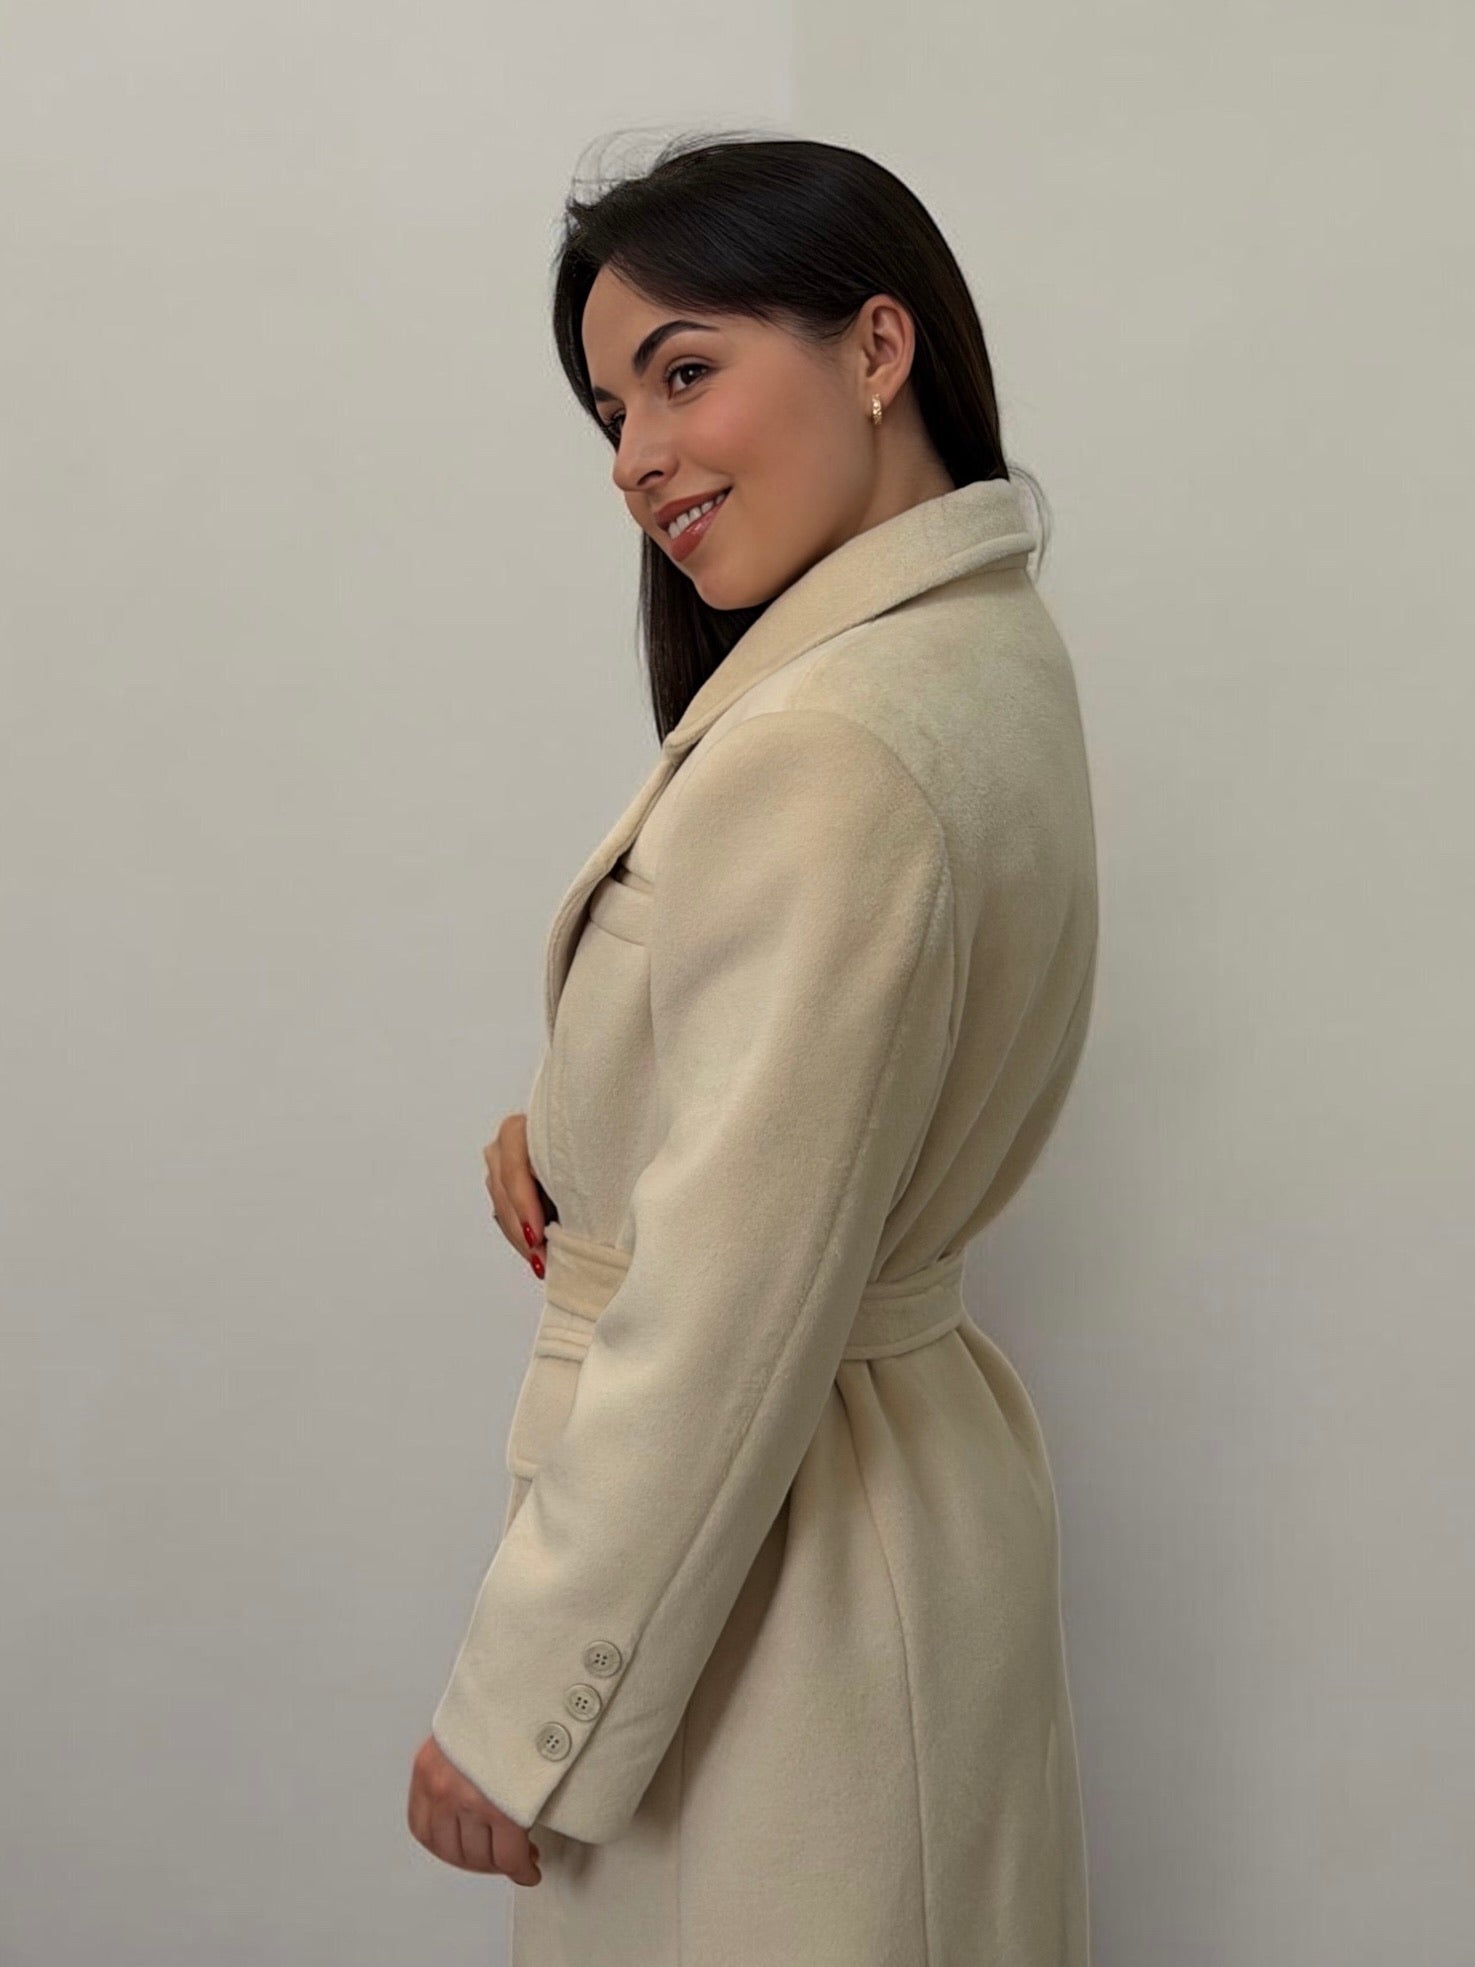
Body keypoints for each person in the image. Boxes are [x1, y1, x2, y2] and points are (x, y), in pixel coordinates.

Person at [406, 130, 1099, 1966]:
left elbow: (729, 1302)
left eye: (685, 372)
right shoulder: (975, 654)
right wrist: (588, 1128)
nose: (636, 456)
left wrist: (518, 1714)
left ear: (877, 347)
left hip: (782, 1598)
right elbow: (830, 1097)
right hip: (889, 1525)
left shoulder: (830, 749)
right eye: (610, 411)